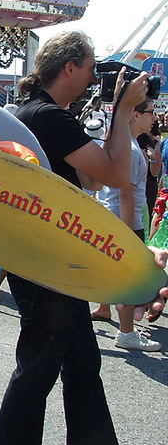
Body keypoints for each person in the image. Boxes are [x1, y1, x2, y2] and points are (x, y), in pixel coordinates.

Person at [0, 31, 156, 445]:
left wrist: (117, 120)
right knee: (39, 365)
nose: (93, 76)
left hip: (46, 258)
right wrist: (122, 112)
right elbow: (117, 176)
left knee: (82, 363)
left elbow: (86, 176)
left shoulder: (36, 114)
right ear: (70, 69)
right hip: (48, 260)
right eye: (90, 66)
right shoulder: (48, 117)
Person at [92, 99, 161, 351]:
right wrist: (129, 233)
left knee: (116, 274)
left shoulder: (124, 144)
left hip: (114, 218)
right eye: (151, 112)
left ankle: (105, 309)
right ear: (135, 114)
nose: (155, 117)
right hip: (124, 221)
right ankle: (127, 332)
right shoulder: (131, 150)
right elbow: (125, 195)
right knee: (129, 279)